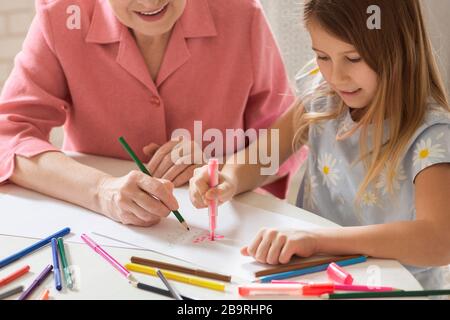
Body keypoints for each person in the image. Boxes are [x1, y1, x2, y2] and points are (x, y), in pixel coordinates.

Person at [189, 0, 450, 289]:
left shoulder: (431, 133)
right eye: (322, 56)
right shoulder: (323, 94)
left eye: (353, 58)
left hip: (396, 290)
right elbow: (264, 156)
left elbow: (439, 240)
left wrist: (317, 241)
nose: (336, 76)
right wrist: (228, 178)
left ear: (398, 47)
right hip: (317, 277)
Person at [0, 0, 298, 227]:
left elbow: (283, 141)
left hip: (217, 229)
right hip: (99, 229)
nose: (151, 2)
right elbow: (8, 136)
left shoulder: (241, 12)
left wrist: (221, 169)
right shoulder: (62, 14)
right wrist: (102, 190)